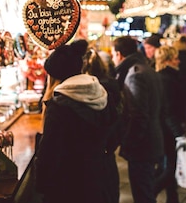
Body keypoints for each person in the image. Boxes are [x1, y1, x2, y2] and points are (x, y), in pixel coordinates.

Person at [35, 39, 118, 203]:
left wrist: (40, 188)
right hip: (101, 180)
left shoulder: (59, 106)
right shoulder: (102, 93)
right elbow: (115, 134)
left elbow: (49, 155)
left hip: (69, 187)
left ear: (54, 76)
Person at [111, 36, 164, 203]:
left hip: (142, 146)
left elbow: (139, 115)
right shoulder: (145, 68)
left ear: (119, 54)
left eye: (113, 54)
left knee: (143, 194)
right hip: (150, 140)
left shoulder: (134, 74)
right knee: (145, 191)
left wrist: (129, 143)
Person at [82, 48, 122, 203]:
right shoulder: (112, 85)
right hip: (108, 151)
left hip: (94, 154)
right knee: (110, 191)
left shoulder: (87, 92)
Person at [154, 45, 186, 203]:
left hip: (164, 130)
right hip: (167, 132)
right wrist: (179, 134)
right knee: (169, 169)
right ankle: (149, 194)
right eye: (175, 58)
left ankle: (172, 199)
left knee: (168, 167)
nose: (178, 61)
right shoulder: (166, 79)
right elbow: (168, 111)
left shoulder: (165, 77)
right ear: (167, 61)